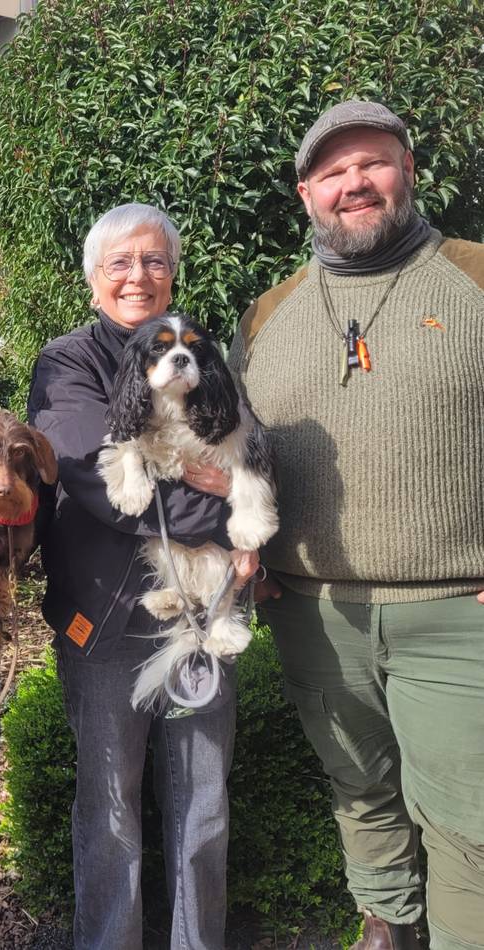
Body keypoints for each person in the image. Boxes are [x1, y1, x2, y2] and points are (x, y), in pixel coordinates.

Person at [229, 100, 484, 950]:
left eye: (371, 163)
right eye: (333, 172)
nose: (354, 184)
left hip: (457, 611)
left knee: (467, 821)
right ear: (306, 193)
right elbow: (235, 453)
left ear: (406, 169)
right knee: (359, 790)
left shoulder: (475, 277)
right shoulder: (268, 316)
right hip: (313, 612)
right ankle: (387, 927)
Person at [28, 202, 258, 950]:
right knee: (111, 812)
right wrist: (225, 505)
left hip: (202, 618)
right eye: (120, 263)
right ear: (94, 280)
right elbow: (100, 480)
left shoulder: (202, 350)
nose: (138, 276)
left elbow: (259, 454)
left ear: (174, 273)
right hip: (107, 624)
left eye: (154, 260)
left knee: (203, 806)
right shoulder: (68, 364)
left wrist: (240, 485)